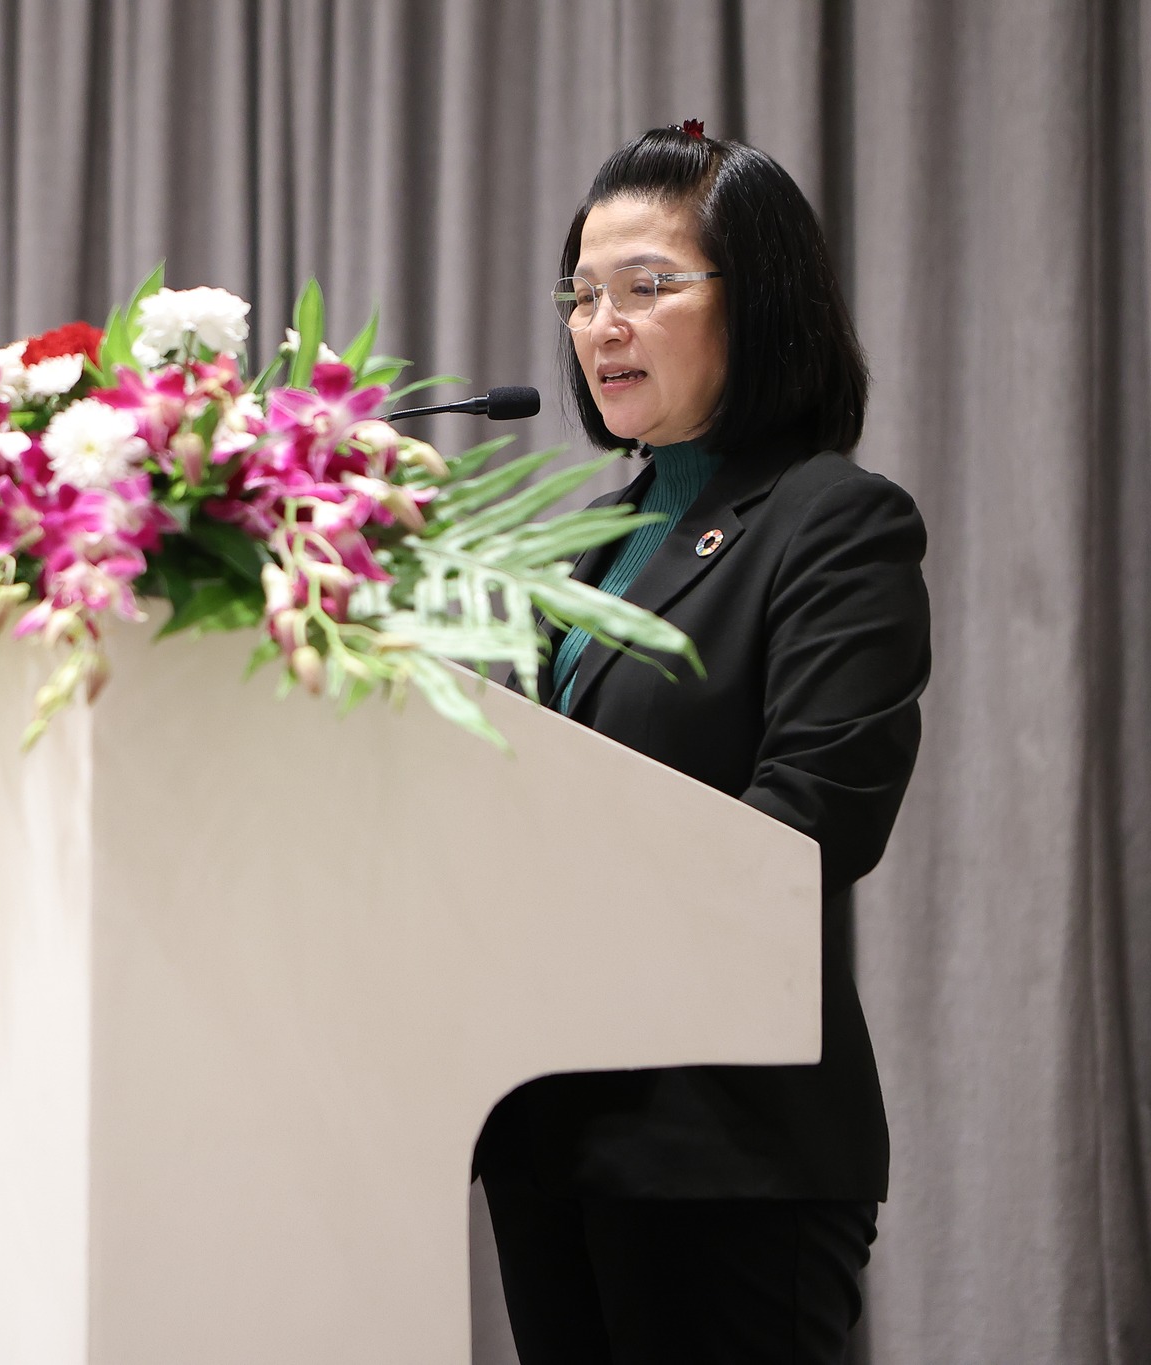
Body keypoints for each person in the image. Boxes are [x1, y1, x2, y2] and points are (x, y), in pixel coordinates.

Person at [471, 123, 932, 1364]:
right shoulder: (581, 547)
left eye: (644, 287)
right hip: (551, 1132)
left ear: (758, 302)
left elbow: (816, 817)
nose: (601, 326)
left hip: (722, 1141)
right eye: (581, 295)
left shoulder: (832, 523)